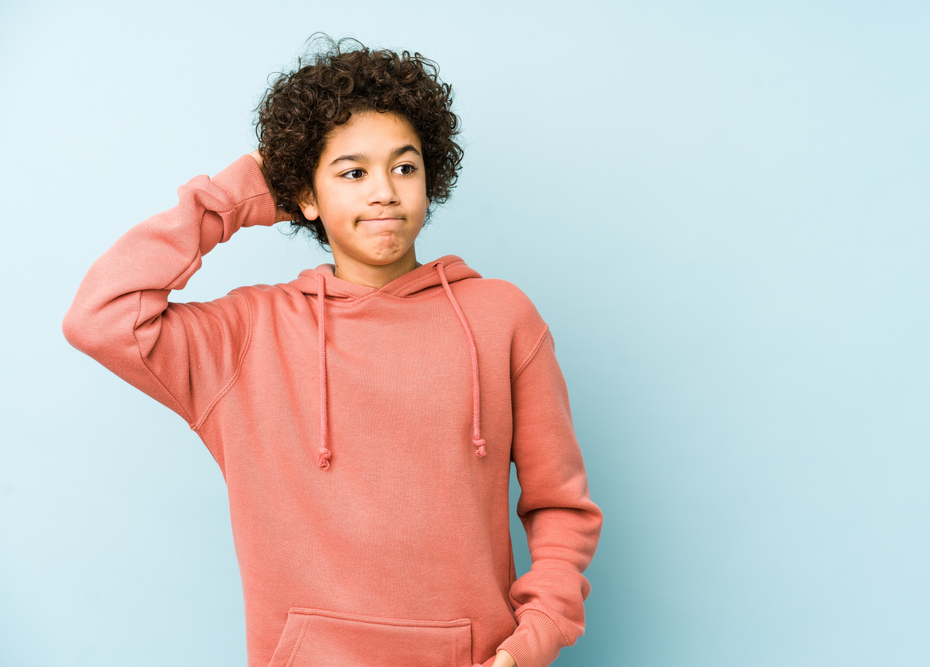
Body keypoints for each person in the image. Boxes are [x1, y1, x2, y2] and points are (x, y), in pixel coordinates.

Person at [63, 37, 602, 667]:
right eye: (352, 172)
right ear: (305, 197)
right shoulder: (248, 333)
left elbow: (560, 505)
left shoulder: (501, 316)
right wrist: (241, 195)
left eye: (405, 167)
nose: (384, 192)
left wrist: (535, 638)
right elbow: (100, 318)